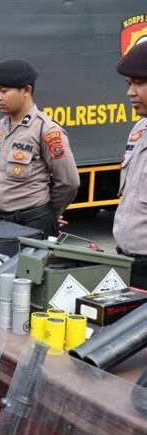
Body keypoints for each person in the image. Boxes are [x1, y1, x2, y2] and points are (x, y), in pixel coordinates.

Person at [0, 59, 80, 237]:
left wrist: (50, 213)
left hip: (31, 224)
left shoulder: (46, 130)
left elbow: (68, 182)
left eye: (4, 91)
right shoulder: (0, 127)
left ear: (27, 90)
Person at [114, 42, 147, 288]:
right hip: (127, 264)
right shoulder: (139, 129)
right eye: (129, 84)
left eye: (139, 83)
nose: (131, 92)